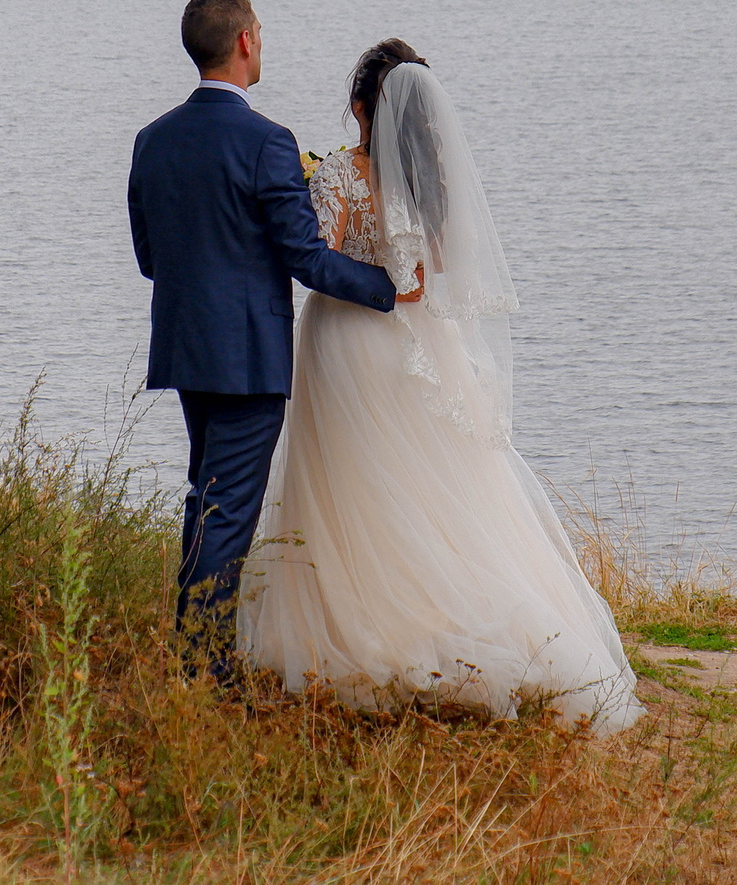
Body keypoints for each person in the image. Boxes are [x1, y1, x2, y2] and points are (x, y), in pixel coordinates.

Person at [239, 40, 644, 734]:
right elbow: (432, 274)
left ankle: (364, 622)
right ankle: (457, 617)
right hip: (422, 346)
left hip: (347, 341)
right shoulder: (434, 185)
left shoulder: (340, 173)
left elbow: (318, 256)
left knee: (351, 482)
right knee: (427, 482)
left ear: (360, 107)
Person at [127, 0, 416, 673]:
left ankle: (192, 656)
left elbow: (149, 258)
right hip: (249, 354)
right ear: (245, 42)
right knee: (228, 508)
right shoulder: (266, 141)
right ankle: (205, 671)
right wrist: (388, 287)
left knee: (207, 497)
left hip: (185, 346)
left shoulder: (152, 138)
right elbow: (306, 258)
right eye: (260, 31)